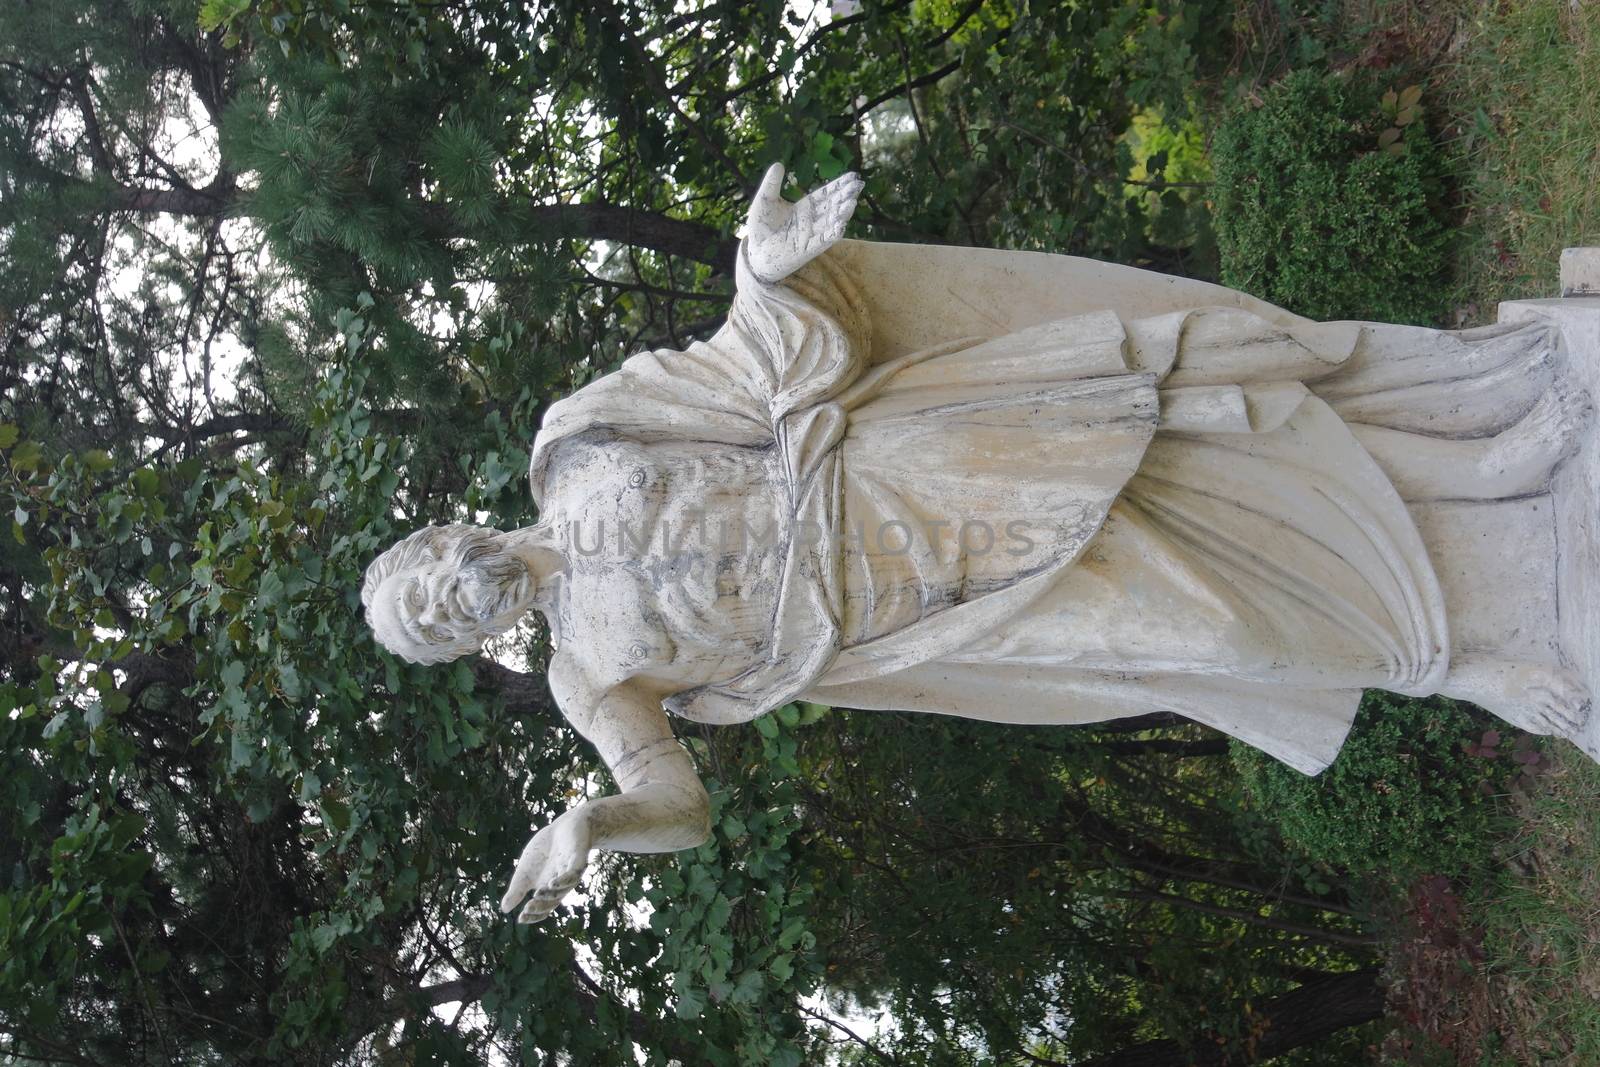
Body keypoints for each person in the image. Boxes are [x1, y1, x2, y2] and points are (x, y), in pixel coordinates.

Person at [363, 165, 1592, 923]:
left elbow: (734, 372)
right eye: (438, 631)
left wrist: (767, 270)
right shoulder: (588, 675)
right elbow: (672, 798)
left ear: (437, 534)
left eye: (423, 590)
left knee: (1193, 437)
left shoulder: (573, 441)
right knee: (1218, 626)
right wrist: (599, 824)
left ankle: (1489, 460)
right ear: (474, 643)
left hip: (904, 465)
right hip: (911, 604)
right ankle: (1460, 650)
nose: (447, 606)